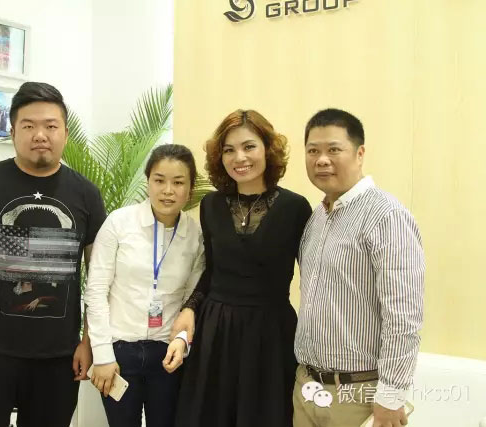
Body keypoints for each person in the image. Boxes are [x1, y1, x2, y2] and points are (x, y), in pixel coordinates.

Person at [0, 82, 106, 427]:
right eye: (29, 125)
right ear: (13, 131)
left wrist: (89, 340)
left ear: (65, 133)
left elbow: (99, 274)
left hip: (58, 357)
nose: (40, 135)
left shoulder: (86, 195)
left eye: (51, 126)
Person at [170, 109, 312, 427]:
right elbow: (210, 271)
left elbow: (314, 278)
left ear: (267, 150)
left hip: (270, 333)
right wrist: (190, 308)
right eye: (229, 150)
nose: (239, 157)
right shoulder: (211, 205)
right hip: (215, 332)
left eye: (249, 146)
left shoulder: (296, 207)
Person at [293, 108, 425, 427]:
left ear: (360, 153)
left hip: (359, 394)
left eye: (333, 149)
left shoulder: (386, 216)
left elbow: (403, 316)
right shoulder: (316, 217)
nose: (322, 160)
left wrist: (390, 397)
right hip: (306, 386)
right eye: (313, 151)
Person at [85, 144, 204, 427]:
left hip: (167, 353)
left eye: (178, 182)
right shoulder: (119, 223)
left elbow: (191, 298)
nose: (168, 191)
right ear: (148, 181)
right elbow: (96, 291)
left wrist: (181, 342)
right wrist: (102, 354)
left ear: (190, 189)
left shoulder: (195, 234)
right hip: (119, 351)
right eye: (159, 180)